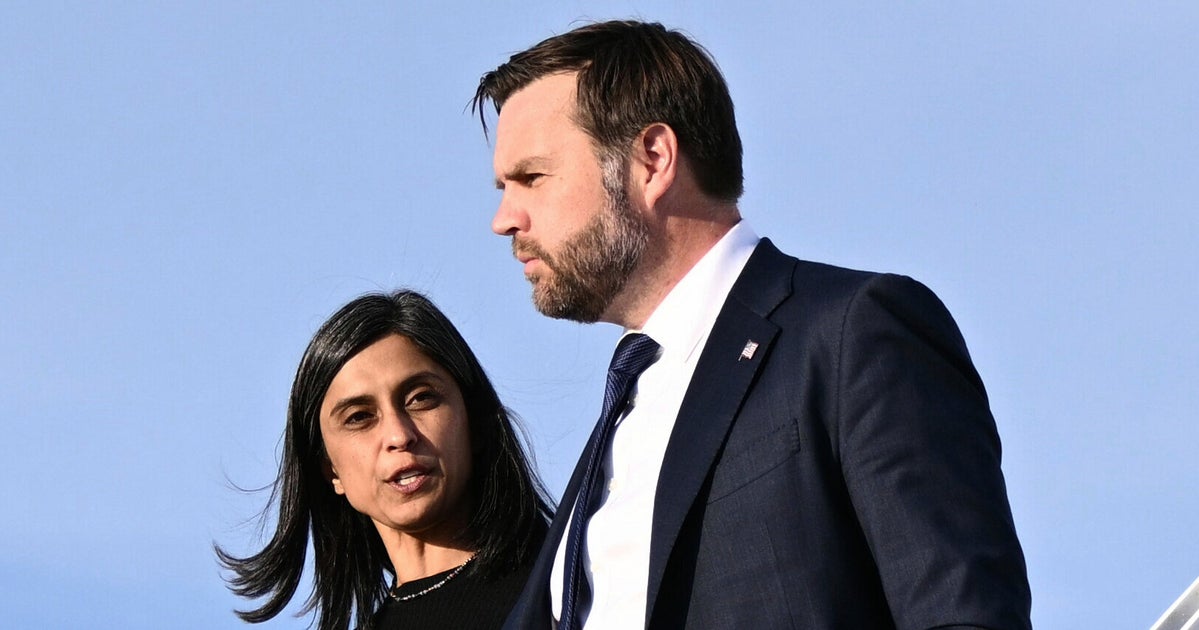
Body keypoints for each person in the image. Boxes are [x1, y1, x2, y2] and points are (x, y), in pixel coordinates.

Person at [472, 20, 1032, 629]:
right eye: (504, 187)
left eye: (532, 177)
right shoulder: (621, 414)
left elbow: (960, 611)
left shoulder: (851, 334)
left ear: (652, 160)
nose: (504, 219)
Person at [216, 290, 553, 630]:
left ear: (474, 421)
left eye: (420, 398)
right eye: (359, 417)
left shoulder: (567, 586)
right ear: (331, 470)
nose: (399, 435)